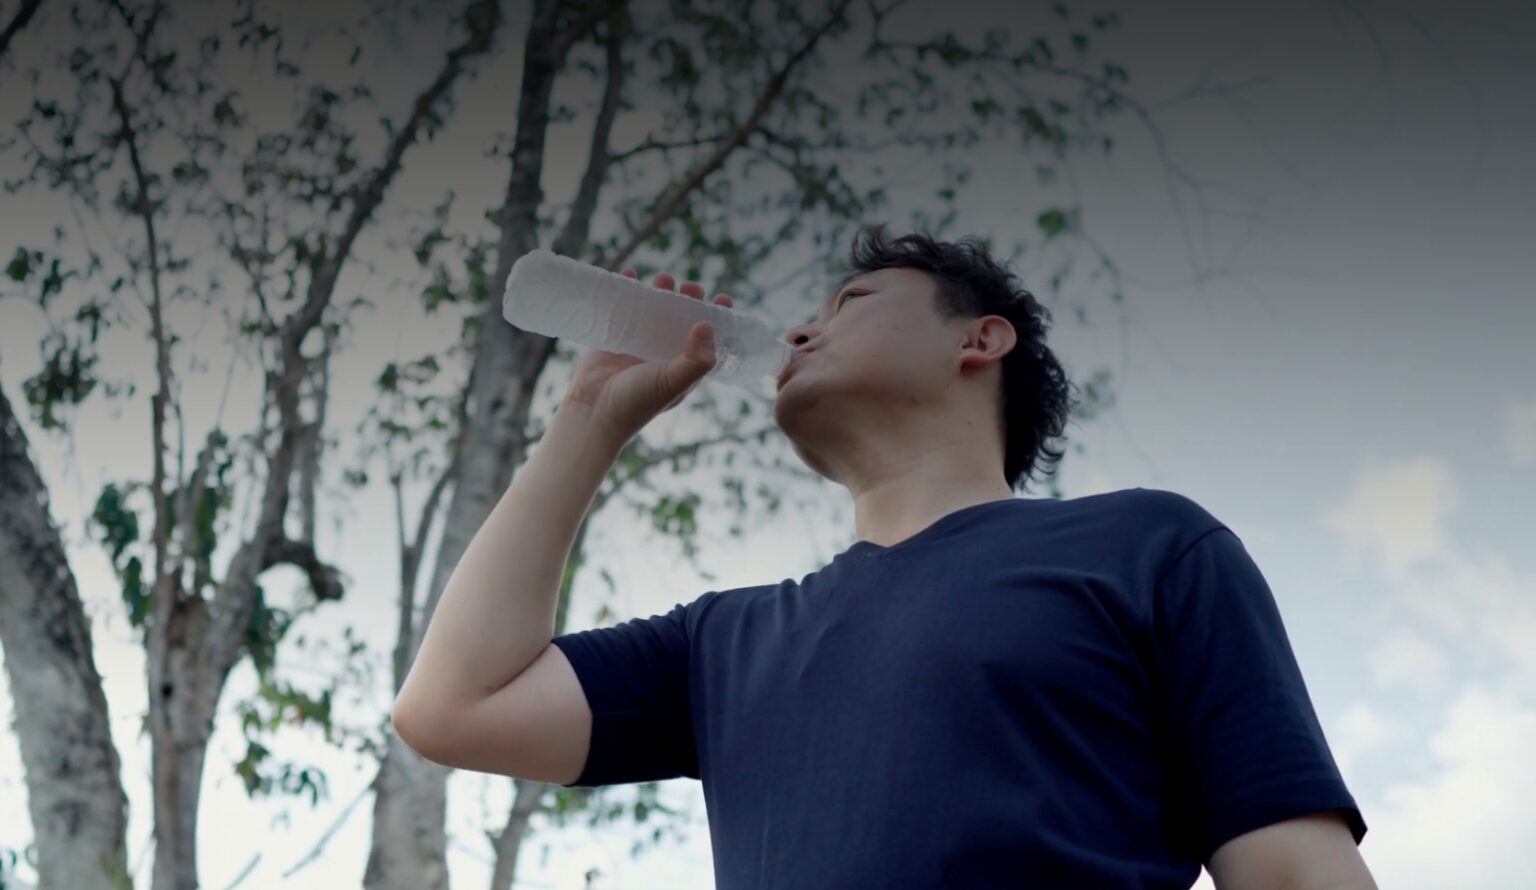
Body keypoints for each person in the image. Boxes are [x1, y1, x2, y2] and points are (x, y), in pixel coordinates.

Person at [392, 226, 1377, 889]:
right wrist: (588, 418)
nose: (802, 329)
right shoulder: (722, 641)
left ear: (980, 340)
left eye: (851, 299)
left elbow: (1295, 870)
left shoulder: (1146, 547)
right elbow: (453, 706)